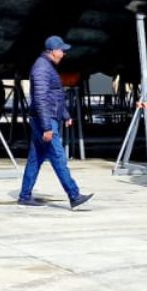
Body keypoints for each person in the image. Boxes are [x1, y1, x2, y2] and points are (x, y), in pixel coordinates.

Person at [17, 35, 92, 210]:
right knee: (59, 158)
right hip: (45, 120)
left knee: (35, 160)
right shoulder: (41, 69)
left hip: (47, 118)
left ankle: (24, 196)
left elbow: (55, 96)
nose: (64, 54)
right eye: (62, 50)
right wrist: (46, 127)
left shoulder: (47, 67)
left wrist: (65, 115)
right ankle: (74, 195)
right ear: (52, 51)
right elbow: (41, 99)